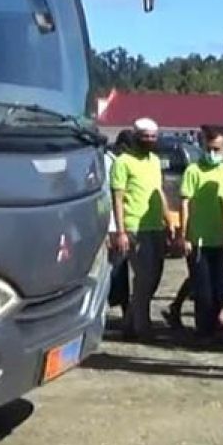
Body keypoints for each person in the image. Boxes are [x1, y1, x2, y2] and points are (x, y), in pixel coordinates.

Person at [110, 118, 174, 340]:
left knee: (154, 278)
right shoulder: (123, 162)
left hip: (156, 225)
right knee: (144, 278)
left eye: (153, 136)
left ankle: (129, 322)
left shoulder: (155, 161)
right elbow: (117, 198)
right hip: (134, 226)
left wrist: (169, 220)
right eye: (145, 136)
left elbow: (159, 191)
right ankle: (142, 327)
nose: (149, 140)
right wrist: (120, 231)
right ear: (136, 136)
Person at [178, 125, 223, 340]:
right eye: (209, 148)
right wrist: (184, 235)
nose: (213, 153)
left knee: (219, 291)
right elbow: (185, 203)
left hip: (222, 239)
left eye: (217, 149)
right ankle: (202, 331)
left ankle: (214, 325)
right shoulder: (193, 171)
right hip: (198, 240)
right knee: (203, 291)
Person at [105, 129, 134, 317]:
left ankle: (126, 310)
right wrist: (109, 230)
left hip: (120, 224)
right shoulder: (107, 164)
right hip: (112, 227)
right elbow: (107, 200)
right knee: (112, 271)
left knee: (121, 271)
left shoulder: (120, 163)